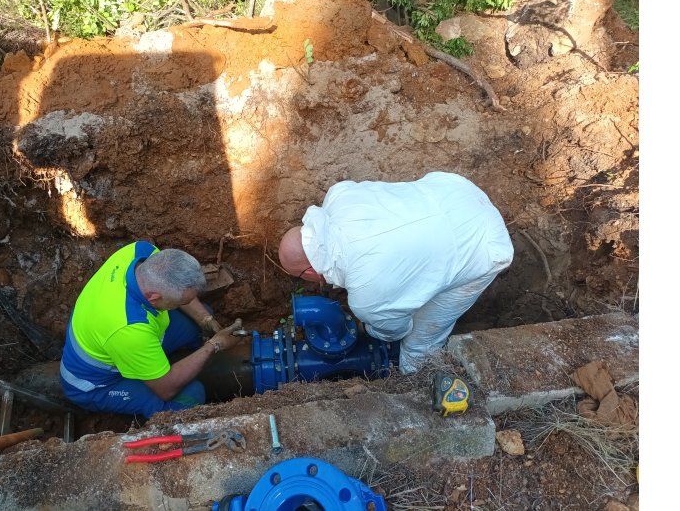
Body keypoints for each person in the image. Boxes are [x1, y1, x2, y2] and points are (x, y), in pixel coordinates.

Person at [277, 172, 514, 374]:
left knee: (419, 343)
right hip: (453, 190)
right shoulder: (339, 195)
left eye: (299, 277)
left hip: (484, 246)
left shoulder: (368, 295)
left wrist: (367, 328)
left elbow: (393, 332)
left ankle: (414, 380)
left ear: (308, 272)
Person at [59, 241, 242, 418]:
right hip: (97, 384)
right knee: (192, 394)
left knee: (197, 323)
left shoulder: (141, 252)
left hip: (126, 336)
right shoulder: (130, 330)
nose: (187, 304)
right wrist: (213, 346)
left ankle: (155, 364)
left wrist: (205, 319)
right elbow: (166, 389)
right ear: (154, 298)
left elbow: (179, 289)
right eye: (182, 302)